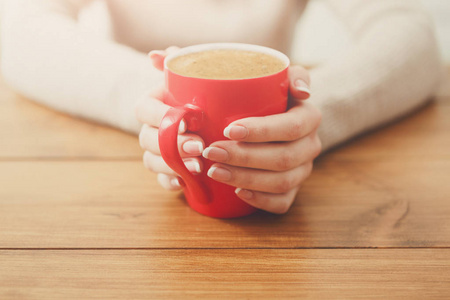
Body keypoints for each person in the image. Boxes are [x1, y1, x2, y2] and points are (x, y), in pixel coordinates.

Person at [1, 0, 443, 214]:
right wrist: (154, 100)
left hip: (287, 173)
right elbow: (16, 29)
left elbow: (412, 36)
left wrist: (308, 118)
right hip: (122, 171)